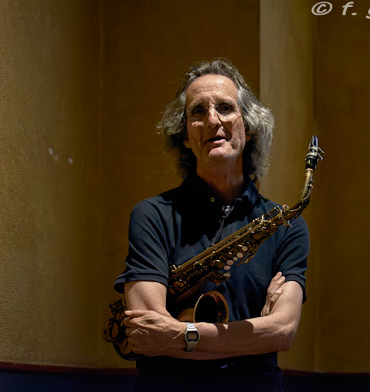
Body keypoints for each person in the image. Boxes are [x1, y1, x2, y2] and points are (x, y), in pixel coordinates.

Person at [113, 58, 310, 391]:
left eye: (225, 108)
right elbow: (147, 336)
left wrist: (180, 335)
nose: (213, 120)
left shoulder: (286, 225)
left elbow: (282, 332)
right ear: (185, 135)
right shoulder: (151, 215)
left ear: (249, 128)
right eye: (198, 111)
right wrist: (253, 334)